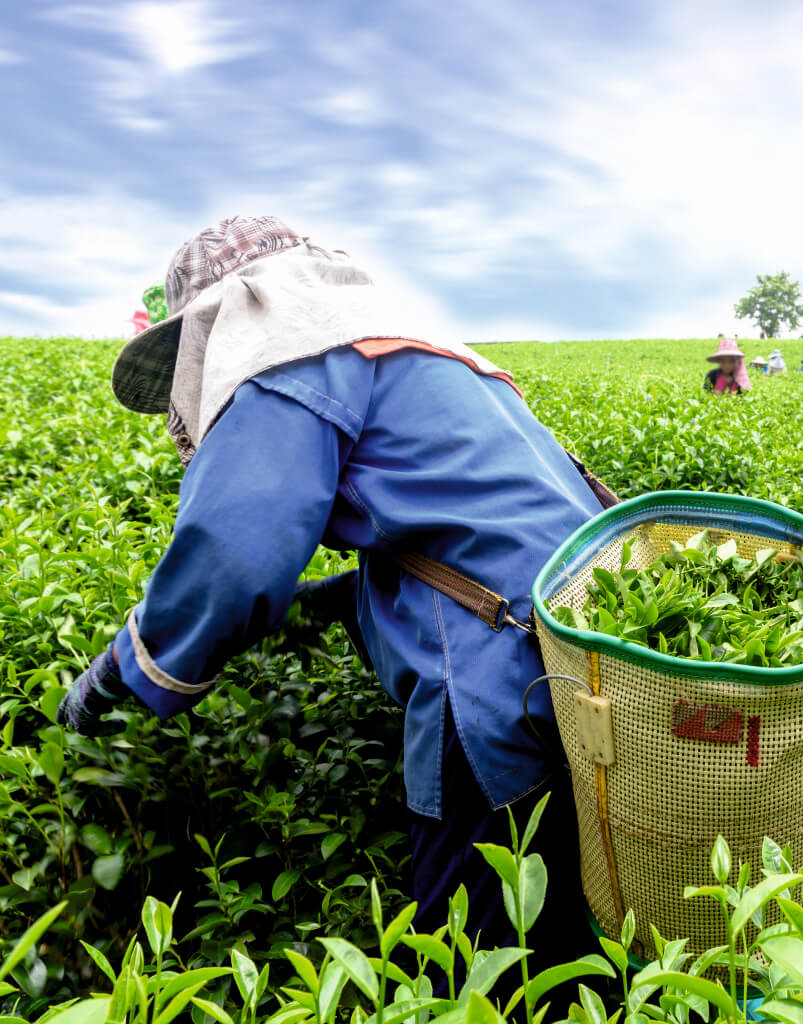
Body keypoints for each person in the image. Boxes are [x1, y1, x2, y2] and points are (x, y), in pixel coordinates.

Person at [53, 215, 603, 977]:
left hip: (489, 675)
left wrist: (127, 667)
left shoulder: (291, 354)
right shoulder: (416, 352)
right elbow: (467, 526)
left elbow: (232, 551)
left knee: (474, 958)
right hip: (583, 652)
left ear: (231, 311)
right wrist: (331, 601)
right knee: (565, 929)